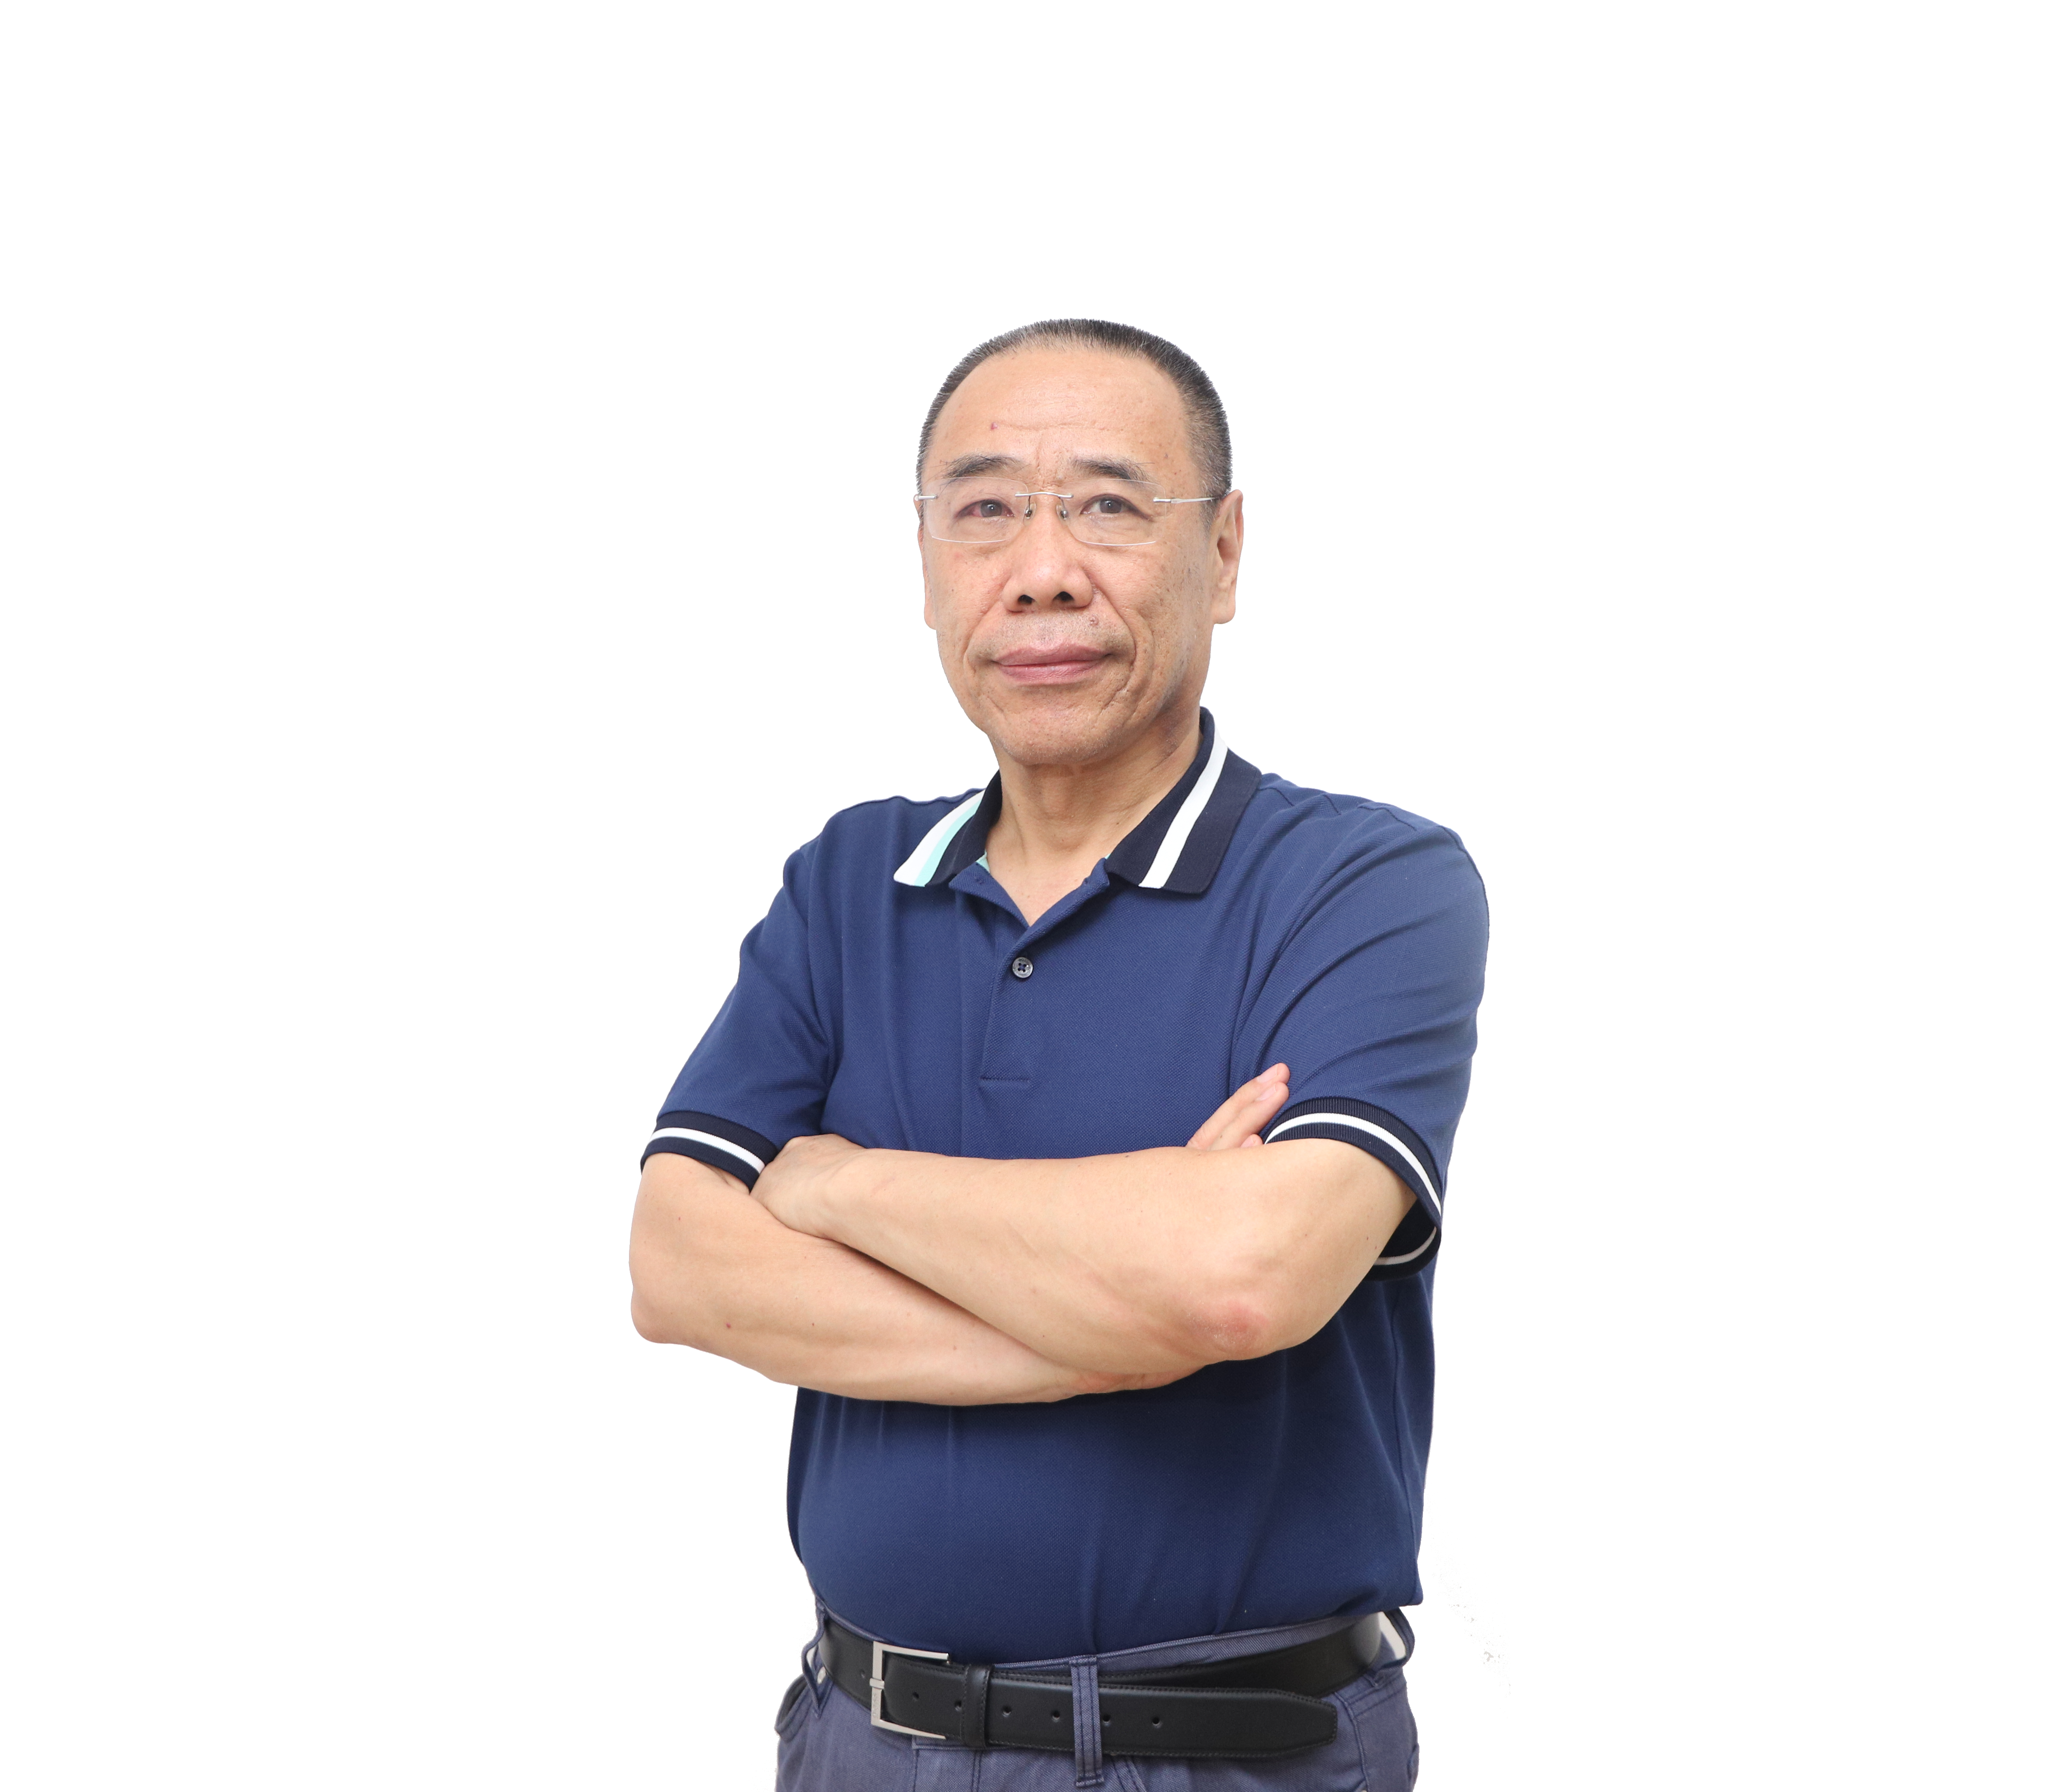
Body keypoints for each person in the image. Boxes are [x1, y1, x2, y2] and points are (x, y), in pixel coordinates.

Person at [627, 318, 1487, 1790]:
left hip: (1234, 1758)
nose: (1040, 570)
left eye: (1105, 505)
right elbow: (675, 1266)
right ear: (927, 563)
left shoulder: (1370, 880)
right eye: (986, 510)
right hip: (859, 1744)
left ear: (1224, 552)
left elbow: (1242, 1276)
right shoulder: (848, 879)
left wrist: (833, 1185)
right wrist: (1128, 1321)